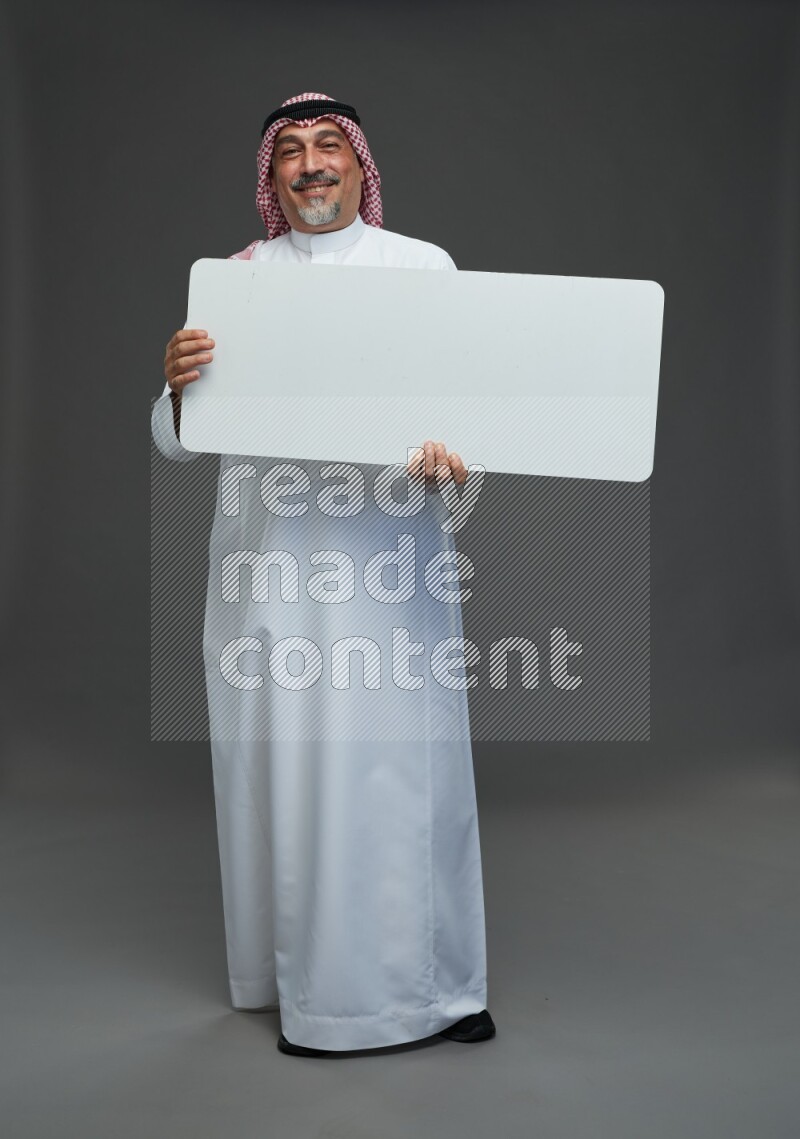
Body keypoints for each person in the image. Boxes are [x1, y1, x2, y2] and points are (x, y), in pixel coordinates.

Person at [151, 92, 495, 1056]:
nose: (311, 164)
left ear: (359, 165)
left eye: (329, 145)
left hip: (388, 571)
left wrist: (455, 453)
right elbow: (179, 440)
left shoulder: (422, 270)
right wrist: (175, 386)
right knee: (291, 773)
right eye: (291, 151)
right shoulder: (237, 281)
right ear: (272, 176)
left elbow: (474, 409)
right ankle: (305, 990)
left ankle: (441, 992)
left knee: (408, 775)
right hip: (271, 577)